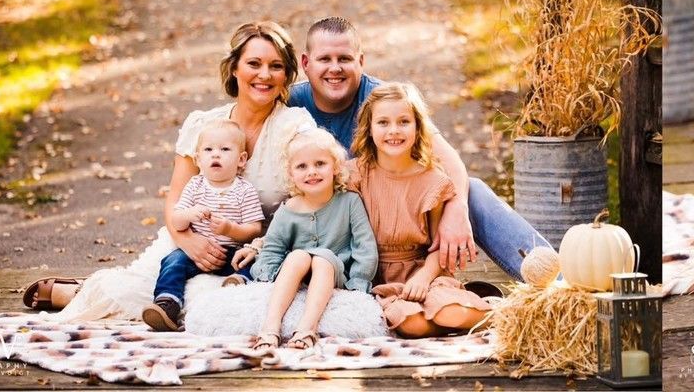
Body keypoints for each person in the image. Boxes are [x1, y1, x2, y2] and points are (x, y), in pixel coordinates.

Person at [22, 22, 318, 321]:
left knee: (225, 303)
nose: (264, 75)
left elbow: (308, 205)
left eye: (276, 66)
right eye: (253, 63)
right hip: (191, 238)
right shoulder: (202, 124)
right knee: (153, 284)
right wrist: (189, 241)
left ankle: (87, 295)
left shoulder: (295, 126)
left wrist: (261, 246)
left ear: (286, 75)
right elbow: (176, 199)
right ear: (234, 69)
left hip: (256, 252)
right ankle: (83, 294)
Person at [287, 17, 550, 281]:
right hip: (336, 226)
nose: (335, 68)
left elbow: (450, 161)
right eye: (325, 59)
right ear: (306, 63)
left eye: (344, 58)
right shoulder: (289, 102)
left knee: (471, 190)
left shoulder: (382, 100)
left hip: (395, 214)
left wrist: (456, 209)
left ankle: (552, 280)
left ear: (361, 61)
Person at [349, 84, 494, 336]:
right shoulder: (355, 175)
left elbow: (438, 246)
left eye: (403, 121)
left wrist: (424, 278)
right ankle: (457, 317)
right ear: (369, 129)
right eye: (383, 122)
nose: (393, 130)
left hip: (425, 270)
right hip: (381, 279)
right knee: (411, 323)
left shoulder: (432, 180)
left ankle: (501, 314)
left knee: (446, 312)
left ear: (418, 127)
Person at [237, 130, 378, 352]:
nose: (311, 172)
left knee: (322, 259)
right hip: (298, 270)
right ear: (291, 174)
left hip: (335, 271)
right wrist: (267, 274)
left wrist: (358, 281)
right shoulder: (288, 209)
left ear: (336, 167)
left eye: (320, 163)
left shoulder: (350, 202)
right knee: (297, 255)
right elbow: (273, 247)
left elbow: (365, 247)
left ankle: (306, 327)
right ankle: (270, 325)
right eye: (302, 167)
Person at [142, 119, 265, 331]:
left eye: (225, 149)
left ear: (241, 159)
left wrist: (230, 229)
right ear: (198, 159)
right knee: (173, 260)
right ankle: (167, 302)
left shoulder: (245, 190)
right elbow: (176, 221)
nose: (215, 154)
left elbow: (254, 228)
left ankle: (238, 282)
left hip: (232, 252)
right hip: (196, 252)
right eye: (208, 150)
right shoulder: (195, 186)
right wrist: (189, 215)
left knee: (254, 261)